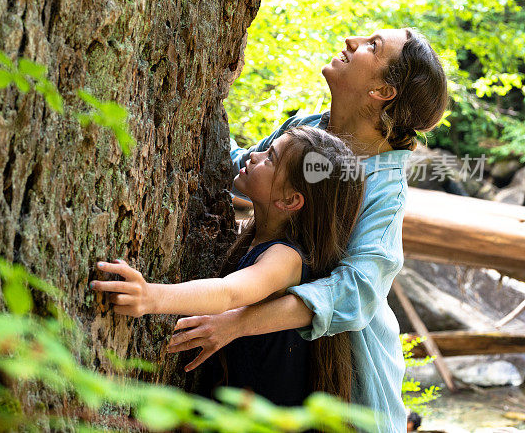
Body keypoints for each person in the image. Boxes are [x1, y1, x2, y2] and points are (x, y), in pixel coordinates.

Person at [166, 28, 449, 432]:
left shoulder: (384, 187)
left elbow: (358, 292)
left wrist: (240, 321)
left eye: (372, 46)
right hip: (260, 339)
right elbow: (241, 166)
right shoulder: (309, 127)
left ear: (383, 91)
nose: (351, 40)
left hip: (337, 366)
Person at [91, 126, 365, 406]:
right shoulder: (259, 238)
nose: (255, 156)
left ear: (290, 200)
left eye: (270, 158)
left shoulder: (286, 258)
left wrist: (151, 297)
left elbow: (229, 293)